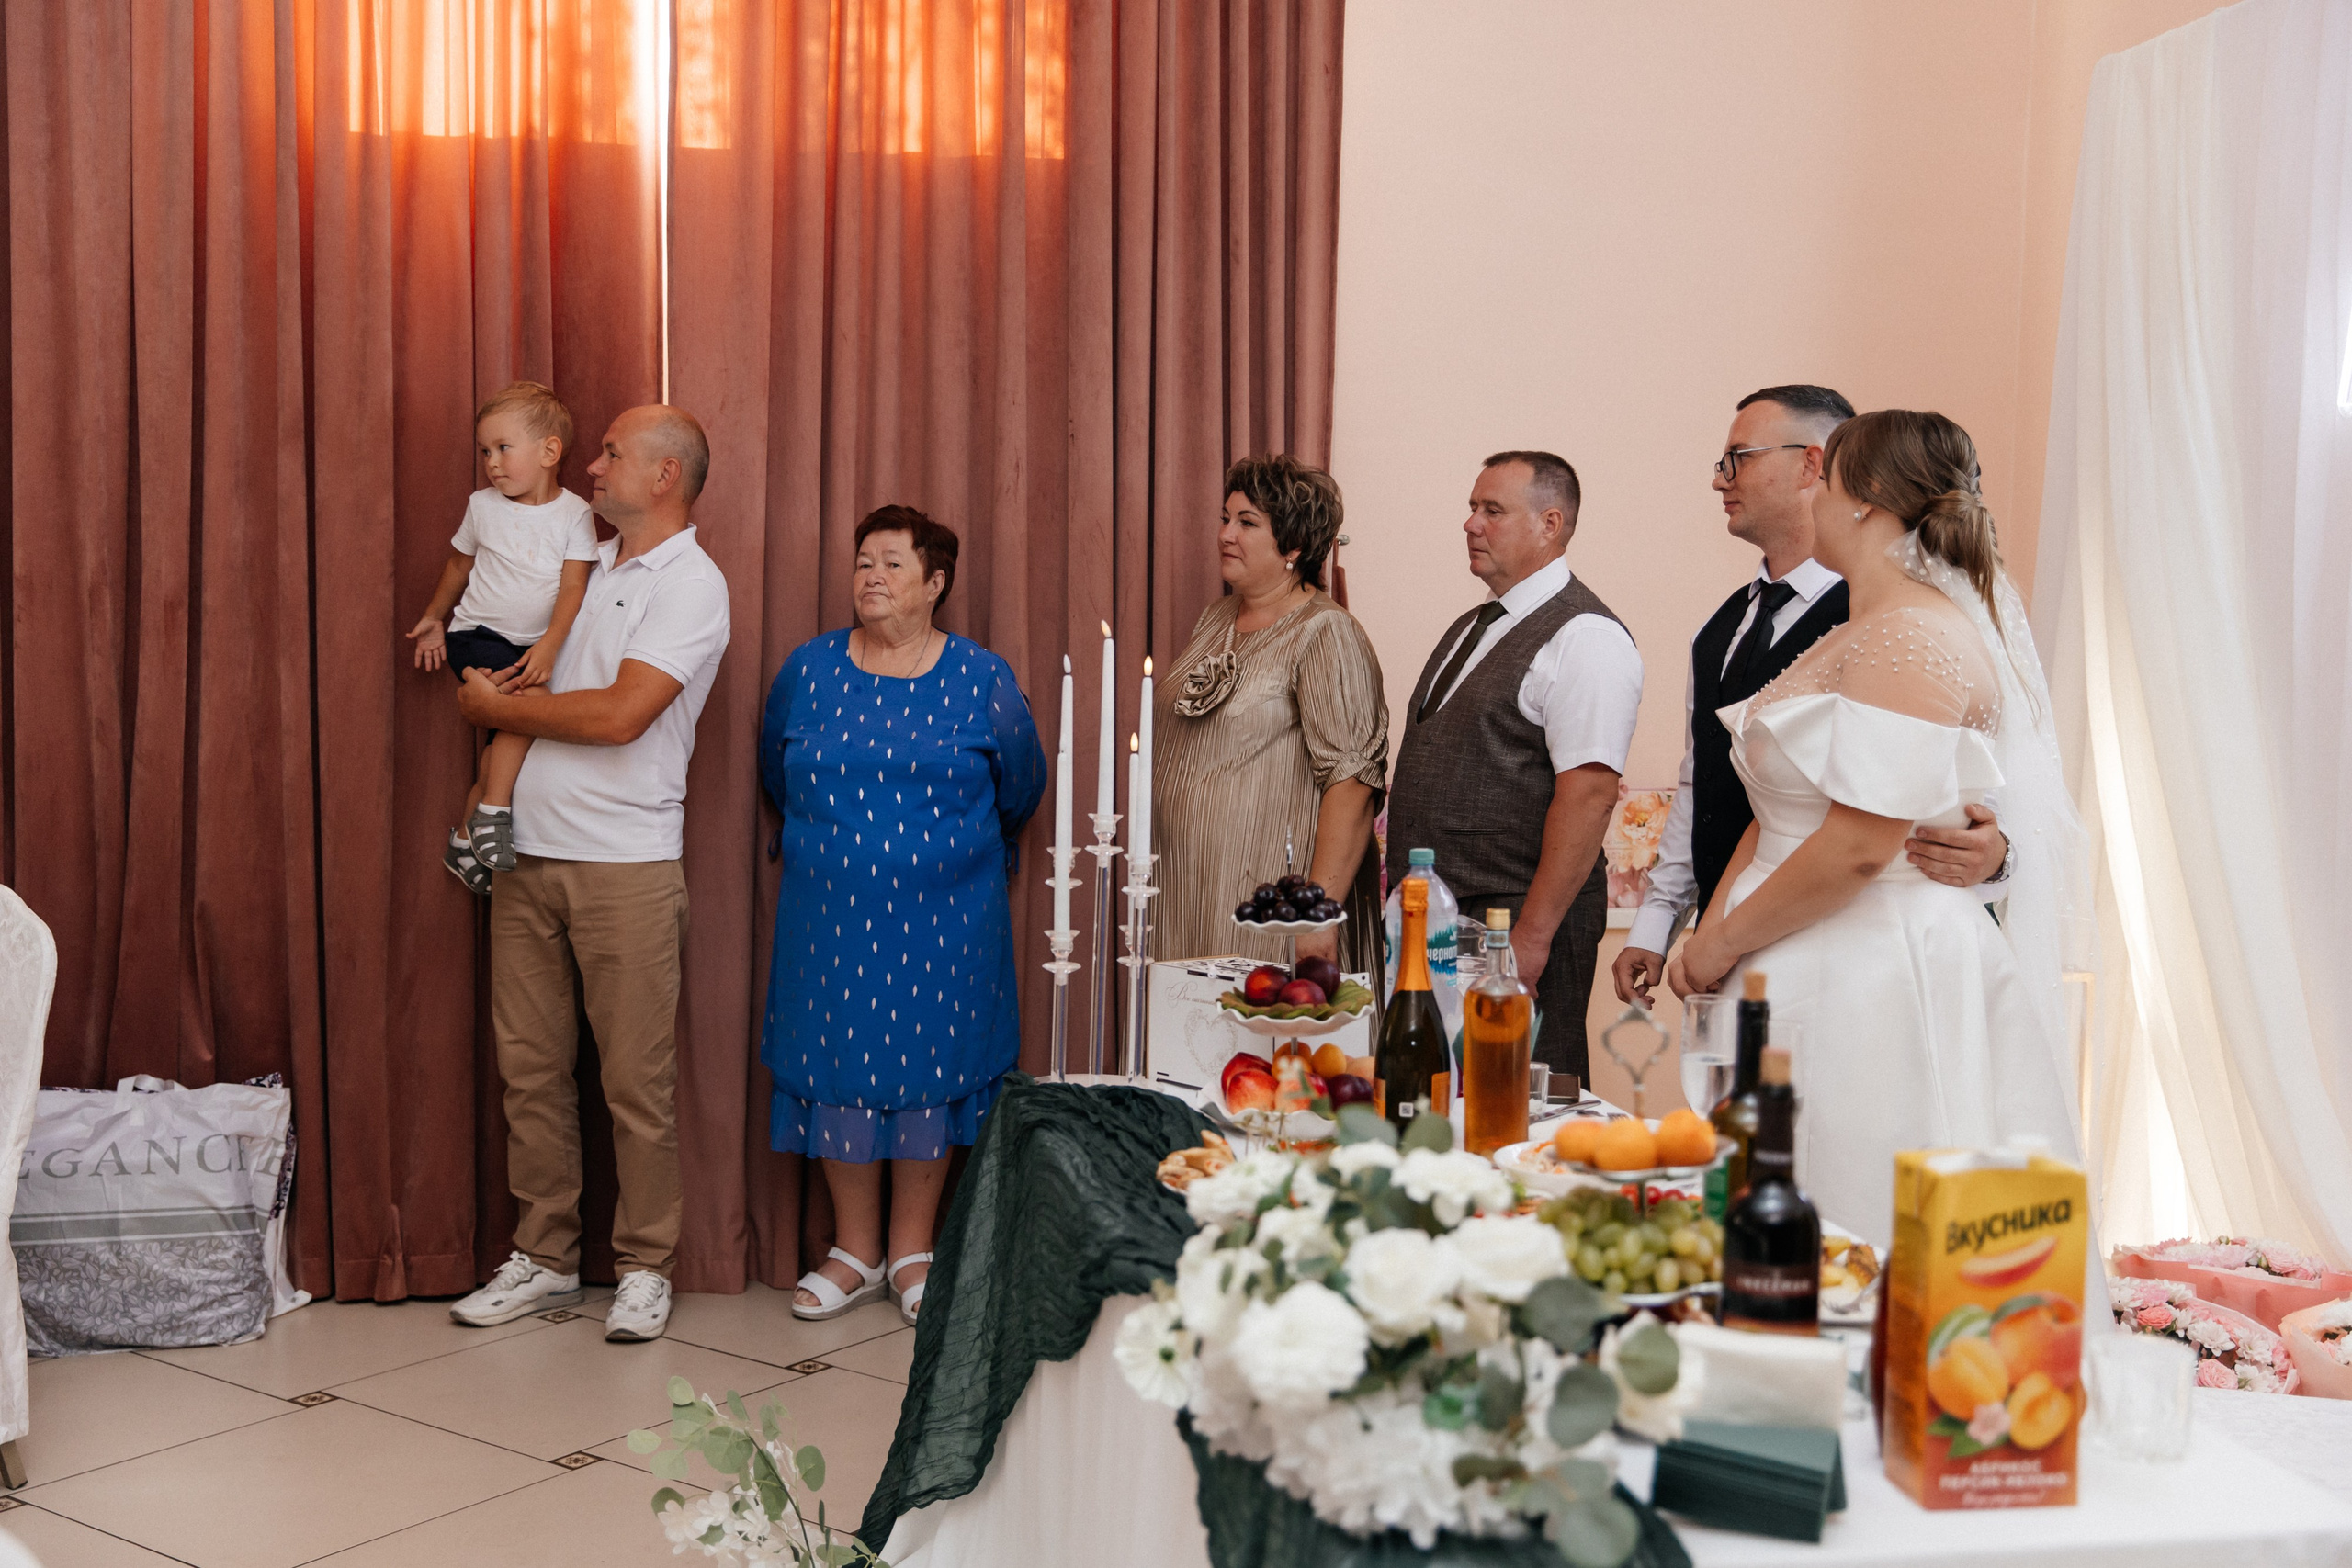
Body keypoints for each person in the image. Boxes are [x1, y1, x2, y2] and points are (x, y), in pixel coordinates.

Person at [1665, 409, 2086, 1242]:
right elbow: (1779, 813)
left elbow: (1860, 845)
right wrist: (1711, 938)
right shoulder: (1867, 628)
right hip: (1788, 946)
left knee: (1844, 1210)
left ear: (1864, 502)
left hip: (1866, 967)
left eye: (1826, 477)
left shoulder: (1911, 638)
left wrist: (1720, 944)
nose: (1810, 492)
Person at [447, 404, 731, 1344]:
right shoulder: (584, 560)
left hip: (628, 868)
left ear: (663, 477)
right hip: (527, 855)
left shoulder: (691, 584)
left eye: (613, 454)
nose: (595, 466)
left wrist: (497, 707)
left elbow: (620, 716)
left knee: (632, 1085)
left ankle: (646, 1266)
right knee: (529, 1073)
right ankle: (547, 1257)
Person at [1615, 387, 2009, 1006]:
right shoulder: (1743, 629)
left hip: (1861, 953)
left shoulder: (1908, 629)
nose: (1722, 481)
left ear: (1862, 499)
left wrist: (2001, 850)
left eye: (1737, 458)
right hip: (1753, 943)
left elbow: (1874, 835)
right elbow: (1715, 788)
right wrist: (1694, 928)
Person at [761, 506, 1045, 1325]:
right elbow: (775, 768)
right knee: (841, 1068)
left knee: (928, 1069)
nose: (871, 577)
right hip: (830, 918)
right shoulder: (808, 671)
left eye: (890, 562)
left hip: (949, 920)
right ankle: (854, 1249)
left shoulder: (981, 678)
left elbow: (1020, 783)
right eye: (861, 562)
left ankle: (914, 1248)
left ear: (935, 582)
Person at [1385, 451, 1641, 1085]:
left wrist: (1530, 939)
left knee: (1524, 1107)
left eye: (1492, 510)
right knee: (1443, 1098)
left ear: (1550, 524)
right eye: (1472, 508)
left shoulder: (1588, 638)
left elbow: (1589, 795)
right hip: (1451, 927)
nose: (1471, 523)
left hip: (1517, 925)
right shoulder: (1477, 624)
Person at [1153, 457, 1389, 976]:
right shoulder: (1216, 617)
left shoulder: (1326, 631)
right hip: (1184, 894)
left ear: (1294, 547)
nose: (1225, 534)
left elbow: (1353, 781)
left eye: (1247, 523)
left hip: (1271, 911)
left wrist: (1315, 916)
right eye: (1225, 517)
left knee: (1264, 1048)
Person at [404, 381, 602, 895]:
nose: (492, 462)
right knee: (529, 706)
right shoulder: (483, 506)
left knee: (506, 741)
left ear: (549, 452)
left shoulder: (576, 513)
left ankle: (466, 842)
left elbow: (574, 586)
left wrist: (550, 646)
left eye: (503, 448)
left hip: (530, 646)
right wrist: (433, 617)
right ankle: (494, 814)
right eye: (485, 451)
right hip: (476, 634)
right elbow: (458, 564)